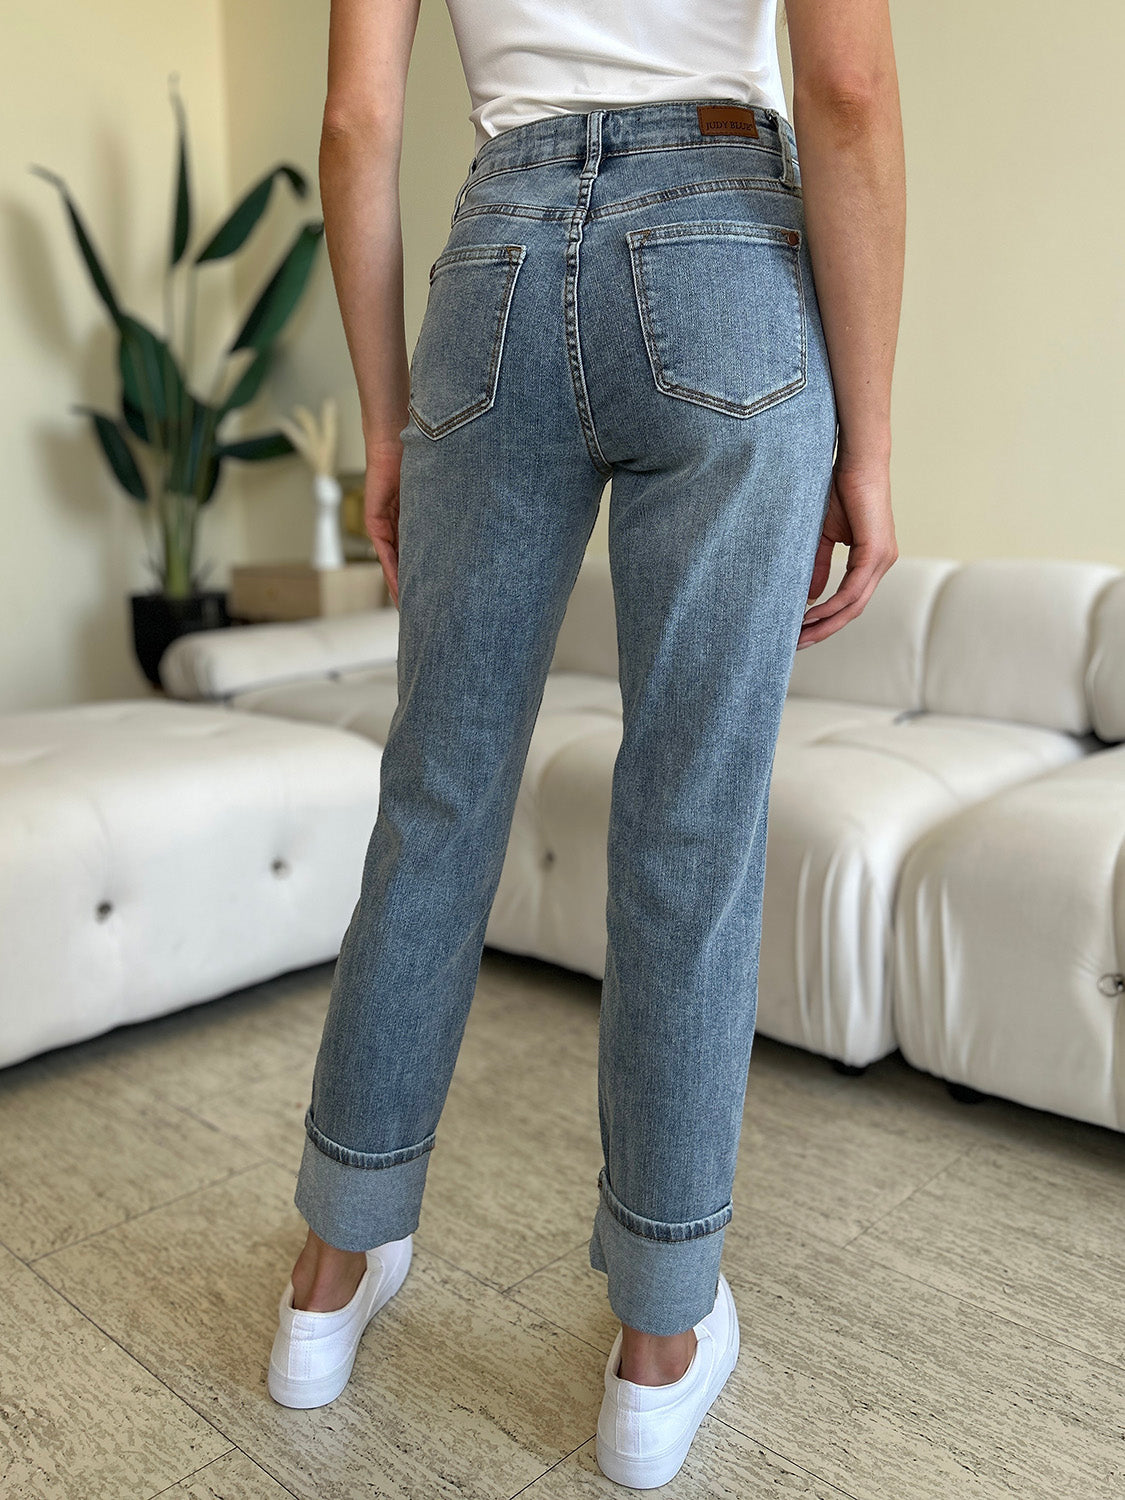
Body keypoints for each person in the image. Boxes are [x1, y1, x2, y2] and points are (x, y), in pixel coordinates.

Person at [267, 0, 904, 1486]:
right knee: (688, 824)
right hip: (728, 253)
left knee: (435, 797)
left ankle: (327, 1279)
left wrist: (383, 427)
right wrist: (866, 440)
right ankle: (655, 1348)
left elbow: (359, 125)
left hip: (493, 266)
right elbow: (851, 90)